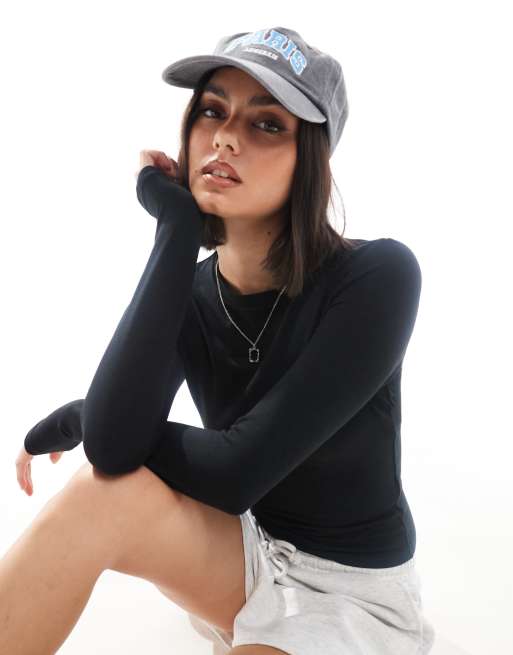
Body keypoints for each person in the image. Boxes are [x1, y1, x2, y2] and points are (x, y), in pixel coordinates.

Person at [6, 26, 436, 655]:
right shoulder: (192, 290)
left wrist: (84, 415)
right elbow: (113, 450)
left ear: (310, 159)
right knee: (98, 491)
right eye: (212, 111)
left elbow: (236, 472)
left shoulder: (378, 275)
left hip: (353, 592)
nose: (226, 137)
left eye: (267, 124)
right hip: (243, 554)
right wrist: (178, 229)